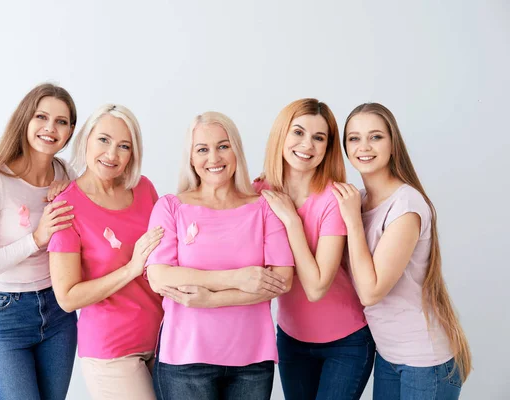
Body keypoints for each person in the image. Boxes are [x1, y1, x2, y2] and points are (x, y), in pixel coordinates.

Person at [146, 111, 295, 400]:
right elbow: (159, 276)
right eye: (202, 149)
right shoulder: (170, 207)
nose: (214, 158)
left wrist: (211, 298)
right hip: (185, 360)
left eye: (223, 146)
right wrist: (239, 278)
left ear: (236, 150)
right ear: (191, 158)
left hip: (252, 361)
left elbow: (282, 281)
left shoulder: (264, 208)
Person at [332, 102, 472, 399]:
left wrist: (353, 221)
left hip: (425, 362)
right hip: (389, 355)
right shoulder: (357, 199)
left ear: (393, 143)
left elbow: (371, 292)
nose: (364, 146)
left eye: (376, 137)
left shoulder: (406, 206)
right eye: (354, 138)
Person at [0, 83, 78, 400]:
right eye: (41, 116)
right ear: (25, 120)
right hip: (5, 314)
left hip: (58, 312)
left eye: (61, 121)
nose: (50, 128)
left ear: (70, 131)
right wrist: (36, 238)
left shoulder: (66, 175)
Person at [255, 98, 375, 399]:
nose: (307, 144)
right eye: (298, 132)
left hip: (346, 343)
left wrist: (292, 222)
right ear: (281, 135)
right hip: (290, 339)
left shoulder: (334, 199)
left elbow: (317, 287)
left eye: (318, 137)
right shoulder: (258, 193)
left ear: (327, 148)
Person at [47, 104, 164, 400]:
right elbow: (67, 297)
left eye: (124, 146)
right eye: (104, 140)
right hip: (111, 350)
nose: (112, 154)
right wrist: (130, 269)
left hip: (164, 338)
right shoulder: (65, 207)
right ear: (86, 138)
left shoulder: (145, 189)